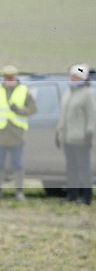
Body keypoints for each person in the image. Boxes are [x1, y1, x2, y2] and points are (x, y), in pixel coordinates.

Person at [0, 65, 37, 201]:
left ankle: (19, 192)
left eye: (12, 78)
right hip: (0, 134)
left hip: (17, 134)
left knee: (18, 165)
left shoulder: (24, 91)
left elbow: (33, 109)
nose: (9, 80)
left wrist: (19, 111)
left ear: (16, 78)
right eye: (7, 78)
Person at [56, 63, 94, 205]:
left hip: (81, 138)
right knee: (71, 168)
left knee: (83, 168)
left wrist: (89, 134)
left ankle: (86, 197)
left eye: (76, 77)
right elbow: (63, 116)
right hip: (67, 137)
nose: (73, 79)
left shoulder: (87, 95)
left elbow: (91, 117)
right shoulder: (68, 93)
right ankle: (71, 195)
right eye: (72, 76)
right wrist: (58, 132)